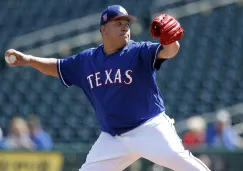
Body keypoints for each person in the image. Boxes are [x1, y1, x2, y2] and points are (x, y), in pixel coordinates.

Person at [5, 5, 210, 171]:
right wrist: (30, 59)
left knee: (182, 161)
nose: (125, 27)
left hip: (149, 127)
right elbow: (57, 67)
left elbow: (169, 52)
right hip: (113, 138)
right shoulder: (87, 60)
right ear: (103, 29)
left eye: (127, 24)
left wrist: (170, 39)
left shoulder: (138, 51)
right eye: (118, 23)